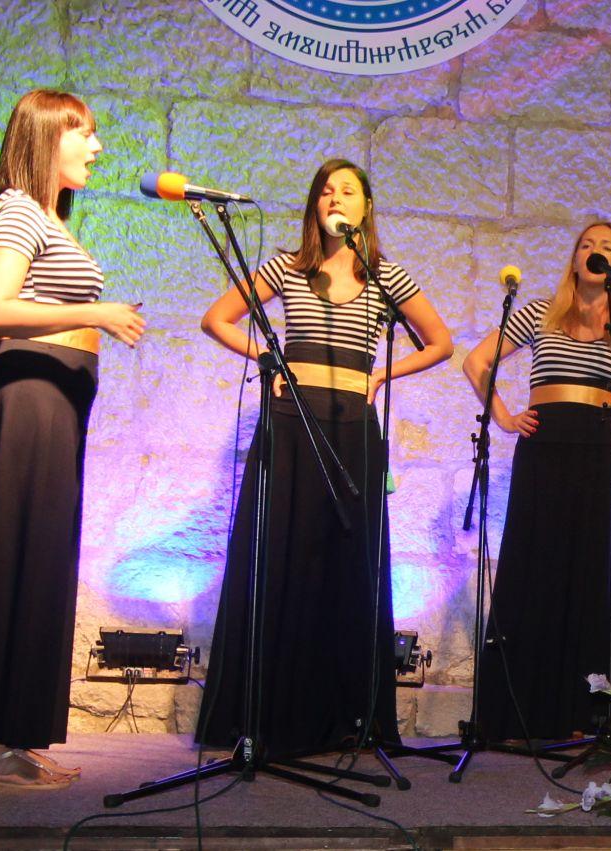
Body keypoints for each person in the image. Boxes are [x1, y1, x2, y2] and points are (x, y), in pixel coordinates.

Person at [0, 89, 146, 789]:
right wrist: (97, 311)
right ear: (47, 138)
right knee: (7, 561)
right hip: (20, 408)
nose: (97, 146)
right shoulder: (17, 209)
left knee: (31, 566)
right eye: (84, 133)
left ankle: (5, 738)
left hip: (48, 410)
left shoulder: (47, 217)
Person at [194, 158, 453, 758]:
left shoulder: (387, 276)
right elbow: (217, 319)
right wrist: (268, 359)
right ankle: (270, 712)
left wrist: (384, 375)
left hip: (354, 429)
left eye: (348, 191)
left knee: (346, 565)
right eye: (327, 191)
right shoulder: (287, 267)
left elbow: (440, 343)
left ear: (366, 208)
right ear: (315, 205)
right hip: (291, 421)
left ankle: (343, 714)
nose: (336, 198)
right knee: (285, 557)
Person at [462, 222, 611, 741]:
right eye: (586, 245)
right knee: (537, 563)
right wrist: (504, 417)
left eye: (605, 248)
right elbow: (476, 361)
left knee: (596, 571)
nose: (594, 253)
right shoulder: (540, 312)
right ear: (574, 258)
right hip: (546, 444)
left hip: (602, 447)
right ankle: (525, 710)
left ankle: (593, 712)